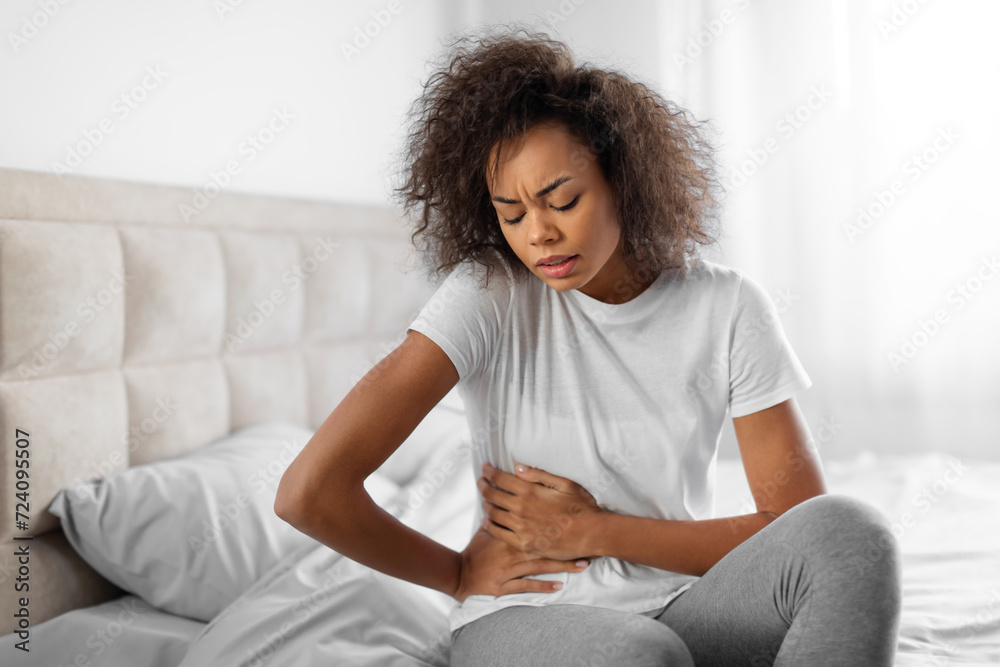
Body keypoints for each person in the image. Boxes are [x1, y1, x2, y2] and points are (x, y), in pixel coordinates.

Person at [276, 27, 902, 667]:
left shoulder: (728, 307)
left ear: (624, 182)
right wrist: (459, 574)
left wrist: (593, 530)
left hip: (687, 608)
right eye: (511, 215)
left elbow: (789, 526)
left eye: (562, 201)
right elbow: (309, 491)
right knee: (637, 653)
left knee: (852, 534)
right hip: (525, 616)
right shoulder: (490, 295)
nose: (539, 234)